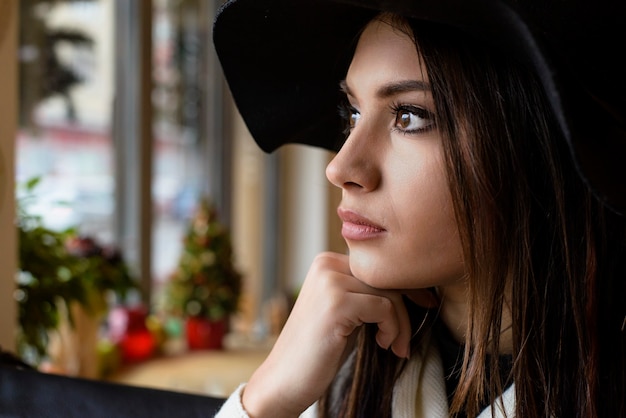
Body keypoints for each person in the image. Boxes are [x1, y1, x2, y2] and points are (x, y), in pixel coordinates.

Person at [212, 0, 626, 417]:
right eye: (352, 114)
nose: (340, 168)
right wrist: (266, 400)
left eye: (409, 117)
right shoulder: (336, 374)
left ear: (534, 148)